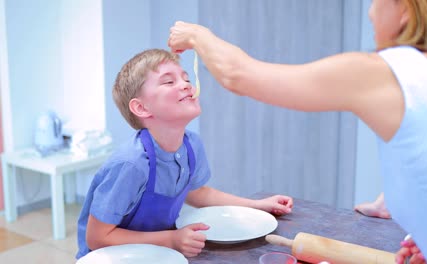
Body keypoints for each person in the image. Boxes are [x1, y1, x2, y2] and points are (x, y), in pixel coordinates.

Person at [167, 0, 427, 263]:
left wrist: (196, 34)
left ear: (406, 10)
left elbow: (237, 74)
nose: (371, 14)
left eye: (376, 1)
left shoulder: (393, 72)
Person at [75, 49, 294, 260]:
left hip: (154, 254)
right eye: (169, 81)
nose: (186, 85)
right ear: (141, 108)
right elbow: (97, 238)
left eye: (186, 78)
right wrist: (171, 239)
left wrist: (258, 205)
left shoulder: (191, 145)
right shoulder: (131, 165)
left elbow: (198, 193)